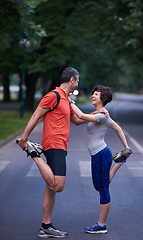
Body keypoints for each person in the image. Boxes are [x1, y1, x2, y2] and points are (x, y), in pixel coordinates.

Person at [18, 67, 107, 238]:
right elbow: (36, 115)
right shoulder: (54, 95)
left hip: (61, 145)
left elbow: (77, 120)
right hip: (54, 143)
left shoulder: (66, 99)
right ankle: (34, 153)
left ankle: (46, 226)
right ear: (72, 80)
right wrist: (24, 138)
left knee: (51, 187)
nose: (78, 84)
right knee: (58, 185)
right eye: (77, 80)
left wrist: (96, 113)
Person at [69, 85, 131, 234]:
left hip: (102, 154)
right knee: (98, 185)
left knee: (103, 189)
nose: (93, 96)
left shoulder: (103, 116)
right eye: (93, 94)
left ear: (102, 98)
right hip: (96, 155)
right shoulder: (99, 114)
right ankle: (119, 162)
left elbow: (83, 117)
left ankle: (101, 224)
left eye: (96, 94)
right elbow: (77, 120)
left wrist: (70, 102)